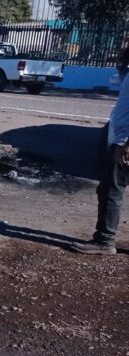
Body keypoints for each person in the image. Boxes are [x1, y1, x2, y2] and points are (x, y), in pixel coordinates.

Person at [71, 47, 129, 255]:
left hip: (125, 140)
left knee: (111, 189)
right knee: (109, 188)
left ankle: (104, 240)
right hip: (120, 136)